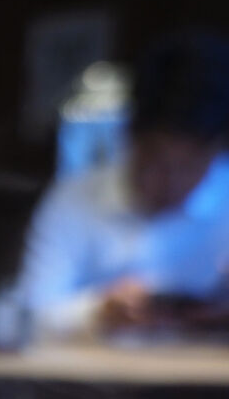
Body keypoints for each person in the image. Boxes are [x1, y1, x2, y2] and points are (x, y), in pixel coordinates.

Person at [16, 31, 229, 338]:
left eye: (191, 165)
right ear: (129, 135)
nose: (172, 180)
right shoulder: (74, 198)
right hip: (89, 369)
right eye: (156, 160)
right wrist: (98, 311)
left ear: (218, 150)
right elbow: (29, 314)